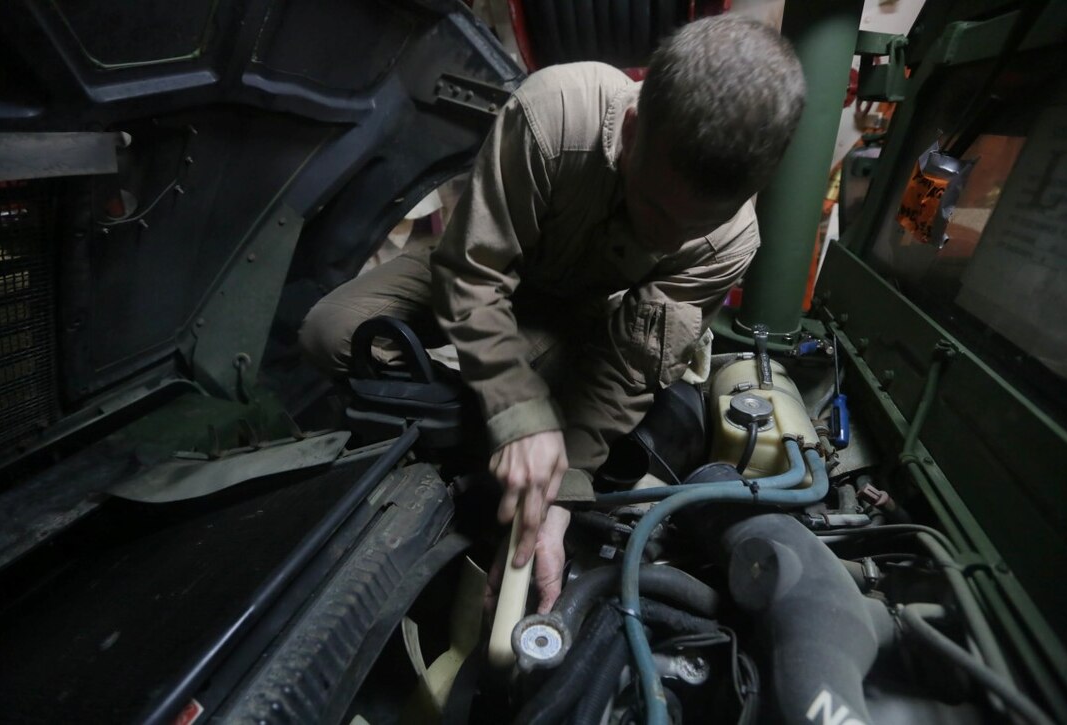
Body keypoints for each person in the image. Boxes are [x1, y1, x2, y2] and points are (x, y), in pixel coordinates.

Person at [299, 15, 805, 613]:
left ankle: (477, 424)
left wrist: (564, 492)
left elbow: (626, 369)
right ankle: (495, 411)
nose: (663, 241)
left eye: (689, 229)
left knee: (563, 403)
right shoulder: (555, 113)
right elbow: (473, 273)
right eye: (652, 207)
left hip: (583, 321)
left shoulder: (730, 243)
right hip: (478, 266)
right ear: (636, 128)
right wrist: (518, 412)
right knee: (329, 333)